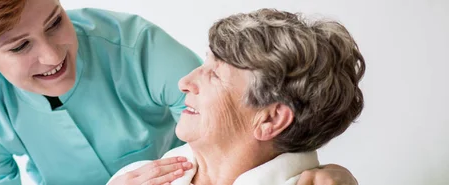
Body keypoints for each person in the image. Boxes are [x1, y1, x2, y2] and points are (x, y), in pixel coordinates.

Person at [0, 0, 358, 184]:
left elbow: (246, 123)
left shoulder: (137, 49)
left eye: (55, 21)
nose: (51, 53)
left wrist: (324, 169)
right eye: (21, 46)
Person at [108, 8, 364, 185]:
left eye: (215, 74)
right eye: (205, 63)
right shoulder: (131, 178)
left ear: (270, 119)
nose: (184, 83)